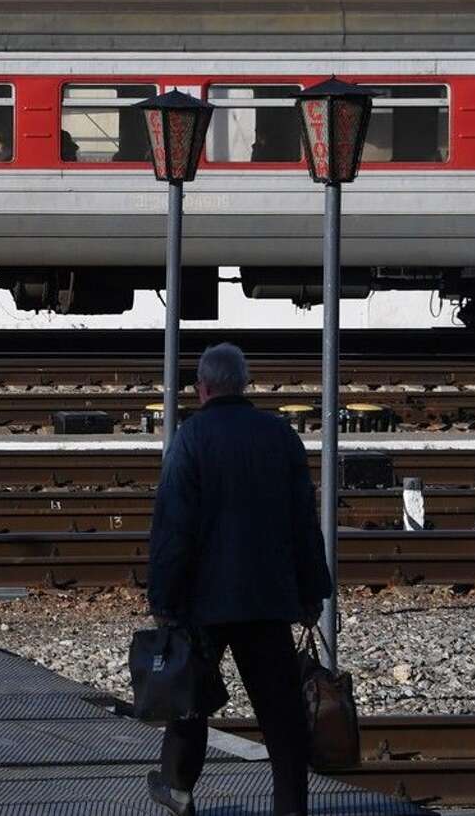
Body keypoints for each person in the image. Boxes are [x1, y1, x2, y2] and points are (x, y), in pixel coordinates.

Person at [146, 342, 330, 816]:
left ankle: (178, 787)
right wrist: (313, 591)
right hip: (268, 600)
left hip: (204, 603)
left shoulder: (191, 438)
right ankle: (291, 807)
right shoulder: (279, 435)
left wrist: (164, 598)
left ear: (202, 388)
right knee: (281, 715)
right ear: (244, 385)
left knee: (191, 700)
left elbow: (173, 527)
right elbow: (303, 522)